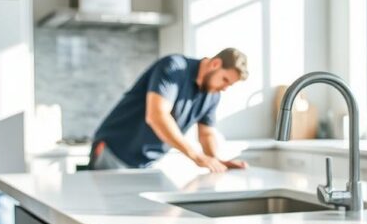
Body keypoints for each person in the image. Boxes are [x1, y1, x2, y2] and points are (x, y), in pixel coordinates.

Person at [89, 48, 249, 172]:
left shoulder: (213, 94)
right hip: (114, 152)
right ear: (215, 64)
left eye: (230, 85)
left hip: (146, 163)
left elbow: (206, 134)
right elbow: (157, 116)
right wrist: (195, 156)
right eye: (225, 80)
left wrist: (215, 160)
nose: (225, 88)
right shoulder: (174, 68)